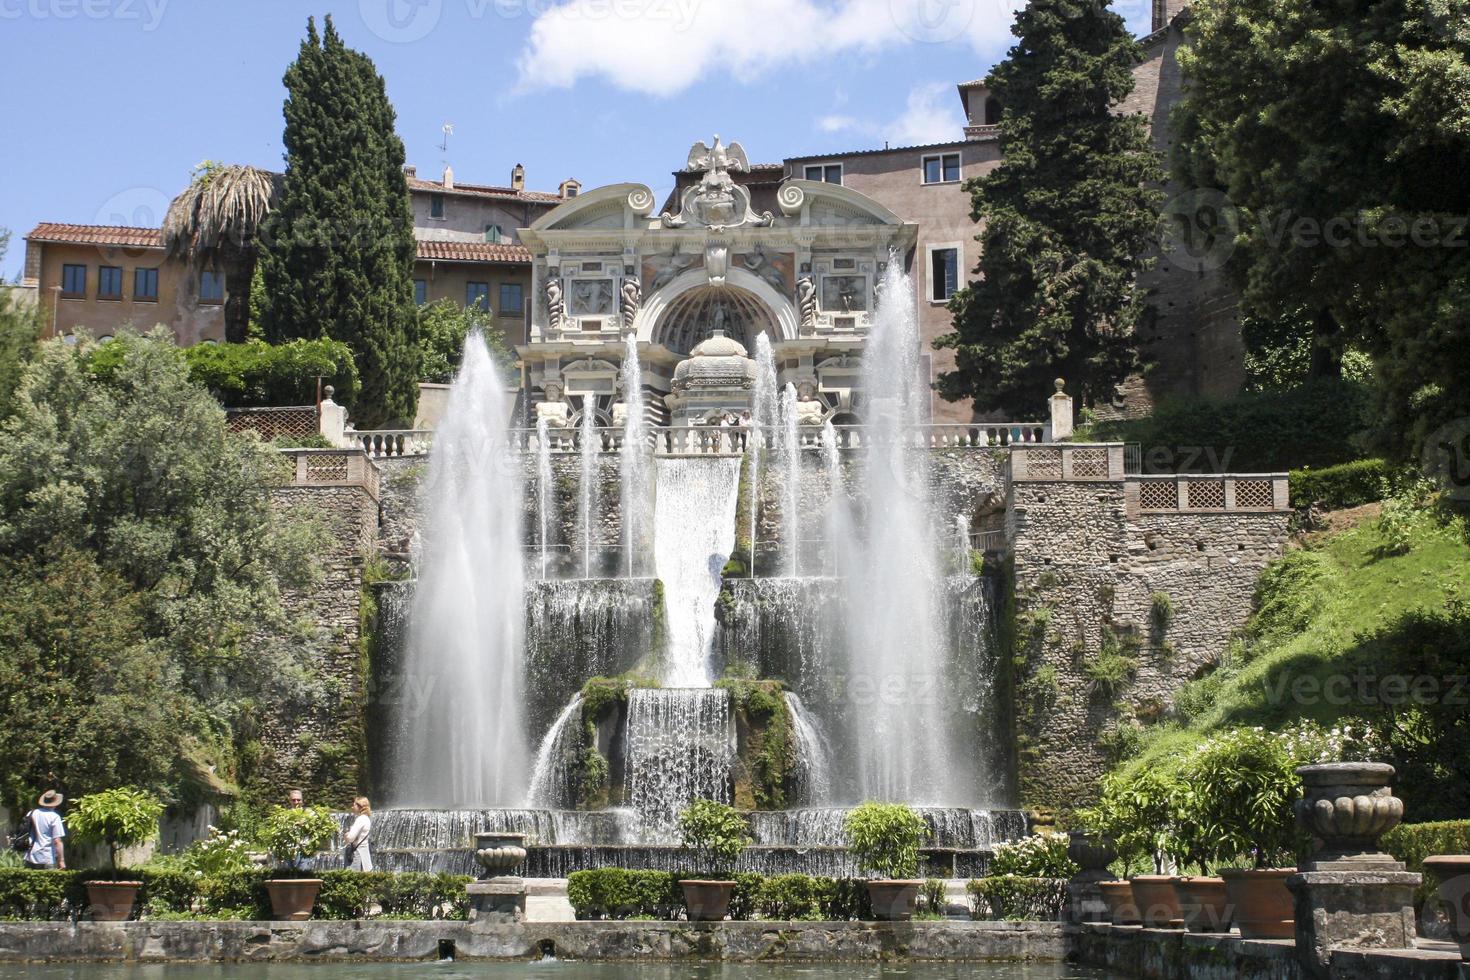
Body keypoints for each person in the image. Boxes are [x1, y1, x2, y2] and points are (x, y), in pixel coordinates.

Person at [24, 791, 66, 870]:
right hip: (47, 856)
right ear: (56, 803)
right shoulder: (54, 817)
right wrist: (61, 861)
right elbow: (57, 841)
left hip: (30, 855)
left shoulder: (31, 813)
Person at [344, 797, 373, 872]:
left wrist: (346, 835)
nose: (352, 807)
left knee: (353, 878)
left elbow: (350, 838)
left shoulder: (360, 819)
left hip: (357, 854)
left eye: (354, 805)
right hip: (364, 853)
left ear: (360, 806)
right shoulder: (367, 819)